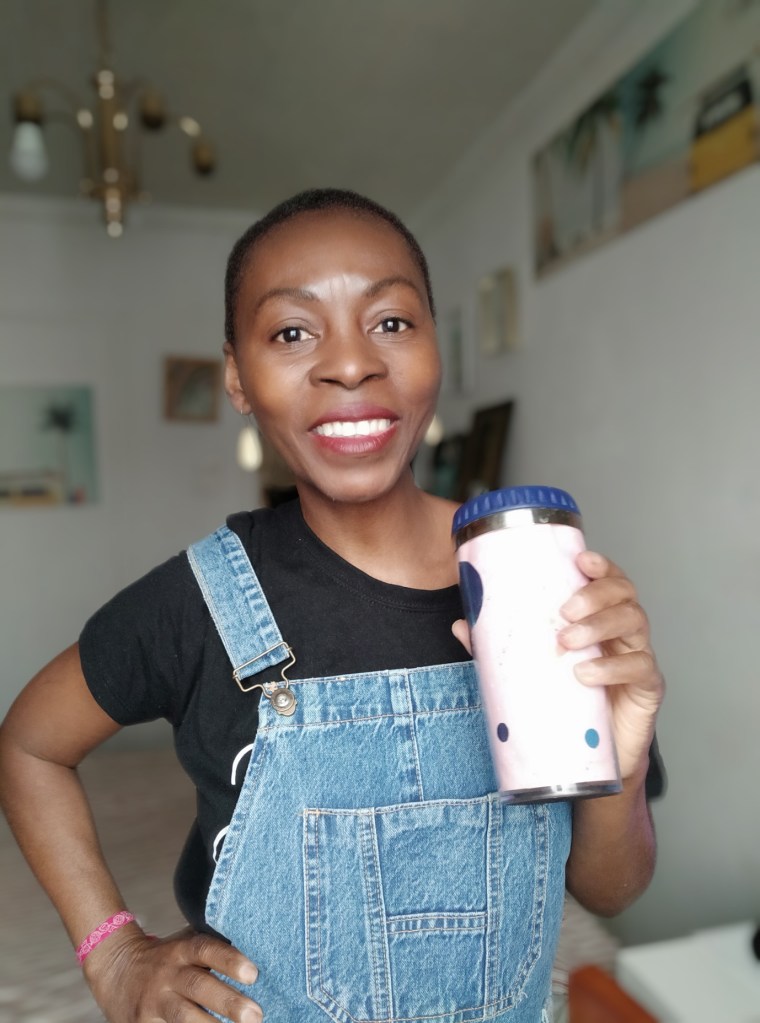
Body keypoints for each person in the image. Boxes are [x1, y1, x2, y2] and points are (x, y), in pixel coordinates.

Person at [0, 188, 664, 1023]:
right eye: (292, 332)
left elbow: (610, 889)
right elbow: (29, 745)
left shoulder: (539, 581)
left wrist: (622, 765)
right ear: (237, 378)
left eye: (391, 321)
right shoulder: (197, 604)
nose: (350, 364)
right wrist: (113, 951)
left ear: (434, 346)